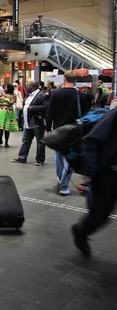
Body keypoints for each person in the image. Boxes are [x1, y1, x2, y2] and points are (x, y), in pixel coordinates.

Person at [71, 107, 117, 256]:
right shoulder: (114, 115)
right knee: (100, 214)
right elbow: (91, 140)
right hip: (110, 172)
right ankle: (81, 230)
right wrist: (90, 170)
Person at [45, 70, 90, 195]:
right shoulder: (80, 95)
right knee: (71, 157)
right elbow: (86, 114)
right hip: (75, 130)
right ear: (75, 80)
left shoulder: (56, 94)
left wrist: (48, 128)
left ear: (64, 79)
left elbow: (50, 112)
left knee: (59, 157)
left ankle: (61, 182)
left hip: (59, 129)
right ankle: (64, 184)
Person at [12, 81, 49, 166]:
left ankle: (40, 160)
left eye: (28, 86)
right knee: (25, 140)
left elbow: (46, 106)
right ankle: (22, 157)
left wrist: (33, 108)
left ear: (33, 87)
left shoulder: (42, 95)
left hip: (37, 121)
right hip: (28, 121)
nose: (26, 87)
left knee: (40, 141)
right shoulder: (30, 95)